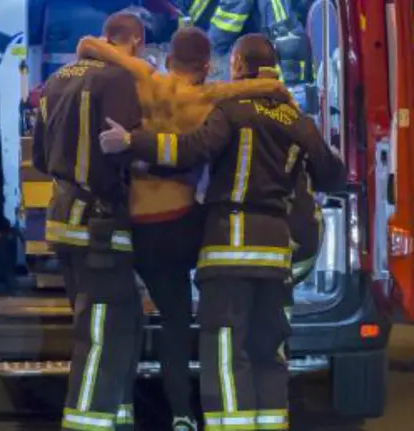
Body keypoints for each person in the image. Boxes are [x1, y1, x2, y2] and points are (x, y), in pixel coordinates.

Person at [99, 33, 346, 430]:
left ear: (237, 65)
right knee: (270, 350)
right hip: (275, 251)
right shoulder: (298, 121)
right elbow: (334, 177)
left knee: (228, 352)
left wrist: (133, 141)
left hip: (228, 247)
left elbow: (189, 149)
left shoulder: (230, 112)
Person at [77, 27, 290, 431]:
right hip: (181, 226)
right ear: (207, 65)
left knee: (144, 318)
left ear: (169, 56)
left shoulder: (145, 76)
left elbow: (89, 46)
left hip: (139, 224)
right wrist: (276, 90)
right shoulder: (209, 97)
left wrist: (100, 45)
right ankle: (182, 412)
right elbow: (253, 91)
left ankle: (139, 407)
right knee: (184, 313)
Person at [33, 11, 146, 431]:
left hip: (63, 220)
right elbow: (125, 151)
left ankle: (118, 418)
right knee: (101, 334)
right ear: (133, 42)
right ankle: (87, 424)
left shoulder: (58, 78)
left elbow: (42, 158)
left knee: (119, 326)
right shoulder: (117, 80)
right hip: (101, 226)